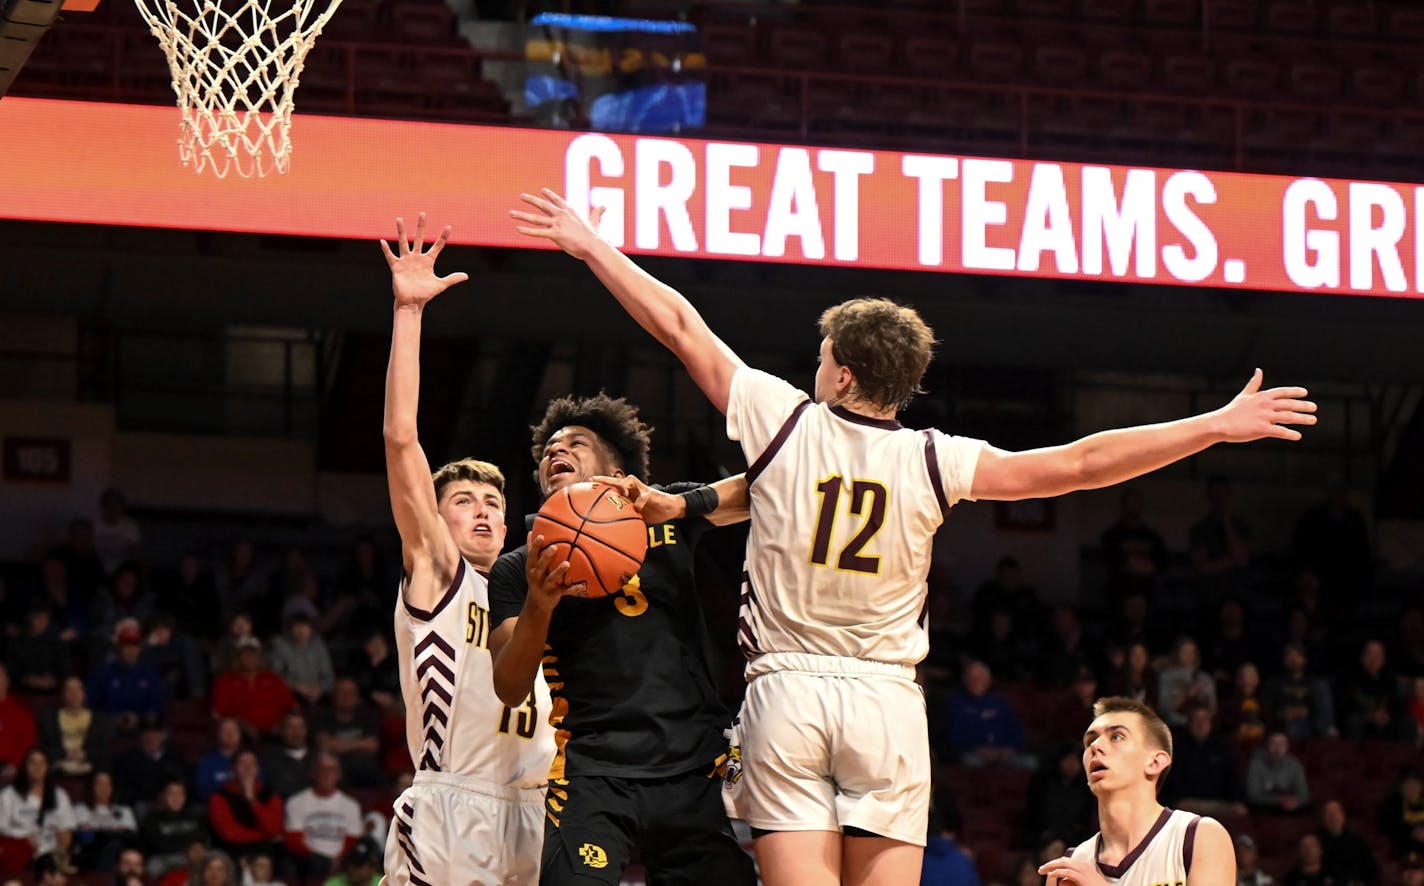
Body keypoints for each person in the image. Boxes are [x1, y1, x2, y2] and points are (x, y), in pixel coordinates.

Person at [515, 188, 1316, 886]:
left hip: (789, 691)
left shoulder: (782, 420)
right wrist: (1211, 425)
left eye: (822, 358)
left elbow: (681, 324)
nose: (816, 367)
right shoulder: (938, 458)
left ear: (843, 375)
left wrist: (591, 245)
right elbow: (1081, 463)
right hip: (888, 701)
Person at [486, 388, 755, 885]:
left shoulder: (665, 517)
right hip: (592, 770)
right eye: (549, 450)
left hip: (692, 765)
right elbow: (508, 686)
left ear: (615, 470)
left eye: (577, 443)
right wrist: (539, 605)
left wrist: (679, 505)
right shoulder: (518, 566)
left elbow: (764, 488)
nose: (555, 452)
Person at [377, 214, 557, 885]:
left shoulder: (531, 591)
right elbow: (401, 438)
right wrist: (409, 311)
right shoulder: (437, 571)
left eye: (493, 506)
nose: (483, 512)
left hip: (534, 808)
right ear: (435, 522)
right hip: (454, 804)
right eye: (464, 503)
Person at [1037, 697, 1234, 884]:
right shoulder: (1073, 864)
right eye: (1090, 741)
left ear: (1155, 762)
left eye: (1116, 736)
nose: (1095, 746)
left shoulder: (1198, 836)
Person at [283, 753, 362, 881]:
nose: (327, 774)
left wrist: (337, 861)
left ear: (339, 775)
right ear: (314, 773)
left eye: (332, 770)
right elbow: (293, 840)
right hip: (308, 862)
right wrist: (324, 862)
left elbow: (352, 840)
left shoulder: (351, 806)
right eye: (323, 769)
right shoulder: (296, 802)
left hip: (342, 862)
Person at [0, 750, 77, 878]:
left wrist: (61, 848)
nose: (37, 767)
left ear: (47, 768)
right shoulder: (9, 795)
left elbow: (66, 831)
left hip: (50, 854)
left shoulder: (59, 795)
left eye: (42, 763)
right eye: (33, 763)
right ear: (25, 767)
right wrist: (23, 837)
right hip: (20, 850)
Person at [71, 770, 137, 871]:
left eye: (107, 784)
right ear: (91, 787)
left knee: (116, 843)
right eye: (99, 784)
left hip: (118, 853)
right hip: (90, 853)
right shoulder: (80, 809)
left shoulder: (124, 811)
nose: (104, 788)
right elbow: (79, 837)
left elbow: (131, 836)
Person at [1245, 731, 1310, 815]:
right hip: (1264, 806)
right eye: (1273, 743)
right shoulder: (1255, 763)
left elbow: (1304, 795)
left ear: (1287, 746)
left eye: (1282, 744)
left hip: (1290, 807)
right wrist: (1280, 800)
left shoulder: (1295, 764)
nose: (1277, 748)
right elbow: (1252, 795)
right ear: (1266, 745)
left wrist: (1296, 801)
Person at [1316, 799, 1378, 885]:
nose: (1333, 816)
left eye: (1336, 812)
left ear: (1343, 816)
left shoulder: (1357, 841)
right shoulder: (1316, 843)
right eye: (1328, 813)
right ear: (1323, 818)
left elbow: (1371, 869)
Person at [0, 664, 37, 781]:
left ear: (7, 681)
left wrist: (15, 764)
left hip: (9, 768)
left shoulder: (21, 712)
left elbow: (28, 741)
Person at [195, 719, 244, 803]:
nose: (230, 734)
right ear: (218, 735)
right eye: (225, 731)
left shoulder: (249, 759)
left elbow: (259, 786)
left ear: (240, 734)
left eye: (233, 730)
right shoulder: (207, 762)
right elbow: (203, 791)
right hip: (218, 806)